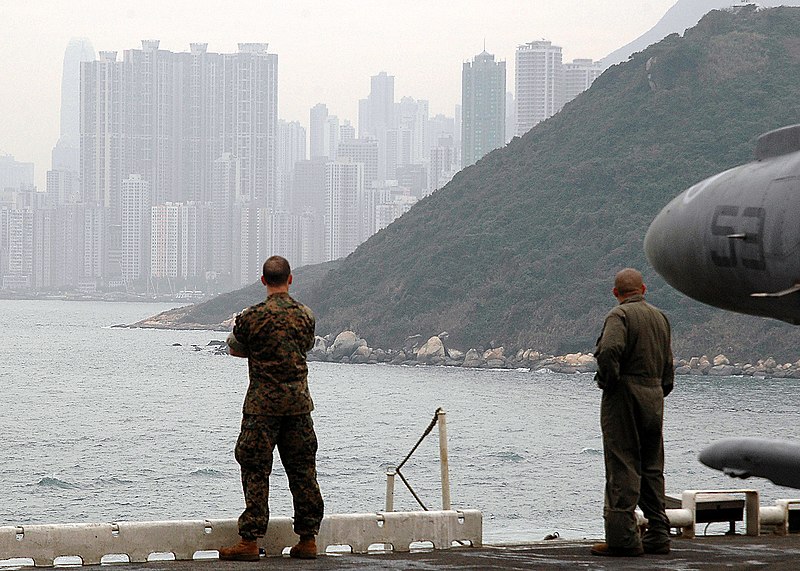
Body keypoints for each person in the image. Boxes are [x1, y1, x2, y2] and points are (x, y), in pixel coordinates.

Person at [219, 255, 324, 561]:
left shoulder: (252, 316)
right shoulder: (304, 315)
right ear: (290, 280)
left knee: (255, 470)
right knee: (303, 470)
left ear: (263, 280)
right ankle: (307, 539)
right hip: (298, 406)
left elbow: (235, 349)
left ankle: (250, 541)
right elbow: (305, 346)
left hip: (262, 407)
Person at [591, 268, 674, 557]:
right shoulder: (660, 318)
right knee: (652, 465)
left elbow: (610, 349)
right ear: (644, 288)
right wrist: (659, 388)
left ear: (616, 293)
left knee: (622, 462)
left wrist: (609, 380)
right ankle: (659, 534)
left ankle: (622, 539)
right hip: (654, 395)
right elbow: (668, 365)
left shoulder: (620, 316)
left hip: (624, 395)